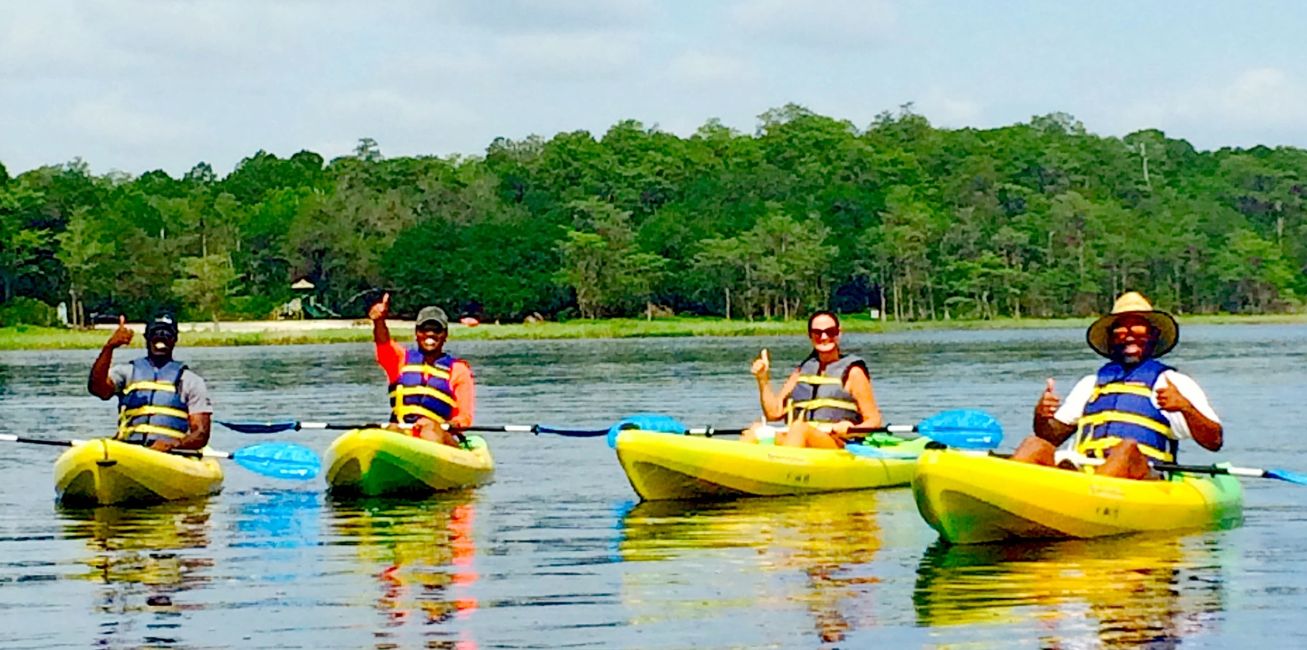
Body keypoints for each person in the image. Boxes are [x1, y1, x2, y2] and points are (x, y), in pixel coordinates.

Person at [1011, 291, 1223, 479]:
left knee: (1126, 448)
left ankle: (1089, 495)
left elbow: (1214, 441)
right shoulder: (1091, 384)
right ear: (1112, 341)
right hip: (1086, 471)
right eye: (1121, 330)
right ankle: (1007, 496)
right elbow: (1051, 437)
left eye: (1138, 329)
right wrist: (1041, 415)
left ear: (1153, 337)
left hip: (1143, 476)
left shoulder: (1172, 382)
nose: (1129, 335)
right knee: (1034, 444)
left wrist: (1185, 408)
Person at [742, 311, 883, 448]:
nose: (823, 337)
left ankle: (786, 467)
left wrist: (852, 428)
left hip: (835, 444)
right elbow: (774, 413)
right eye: (817, 332)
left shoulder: (853, 372)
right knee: (756, 431)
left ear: (839, 333)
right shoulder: (802, 371)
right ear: (810, 335)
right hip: (799, 441)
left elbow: (874, 421)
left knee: (800, 428)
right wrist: (762, 379)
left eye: (830, 331)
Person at [87, 313, 213, 452]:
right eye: (155, 333)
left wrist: (173, 444)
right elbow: (98, 389)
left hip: (170, 455)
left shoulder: (190, 381)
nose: (161, 337)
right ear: (146, 338)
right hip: (129, 449)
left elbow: (201, 434)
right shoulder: (127, 372)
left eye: (167, 334)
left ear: (175, 339)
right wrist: (109, 347)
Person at [369, 293, 475, 447]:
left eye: (437, 330)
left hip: (439, 435)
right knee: (393, 429)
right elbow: (383, 343)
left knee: (429, 429)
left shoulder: (458, 370)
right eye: (424, 329)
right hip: (403, 431)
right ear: (416, 334)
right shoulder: (400, 360)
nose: (430, 334)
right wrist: (379, 321)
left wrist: (449, 424)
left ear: (445, 335)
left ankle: (432, 461)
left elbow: (464, 417)